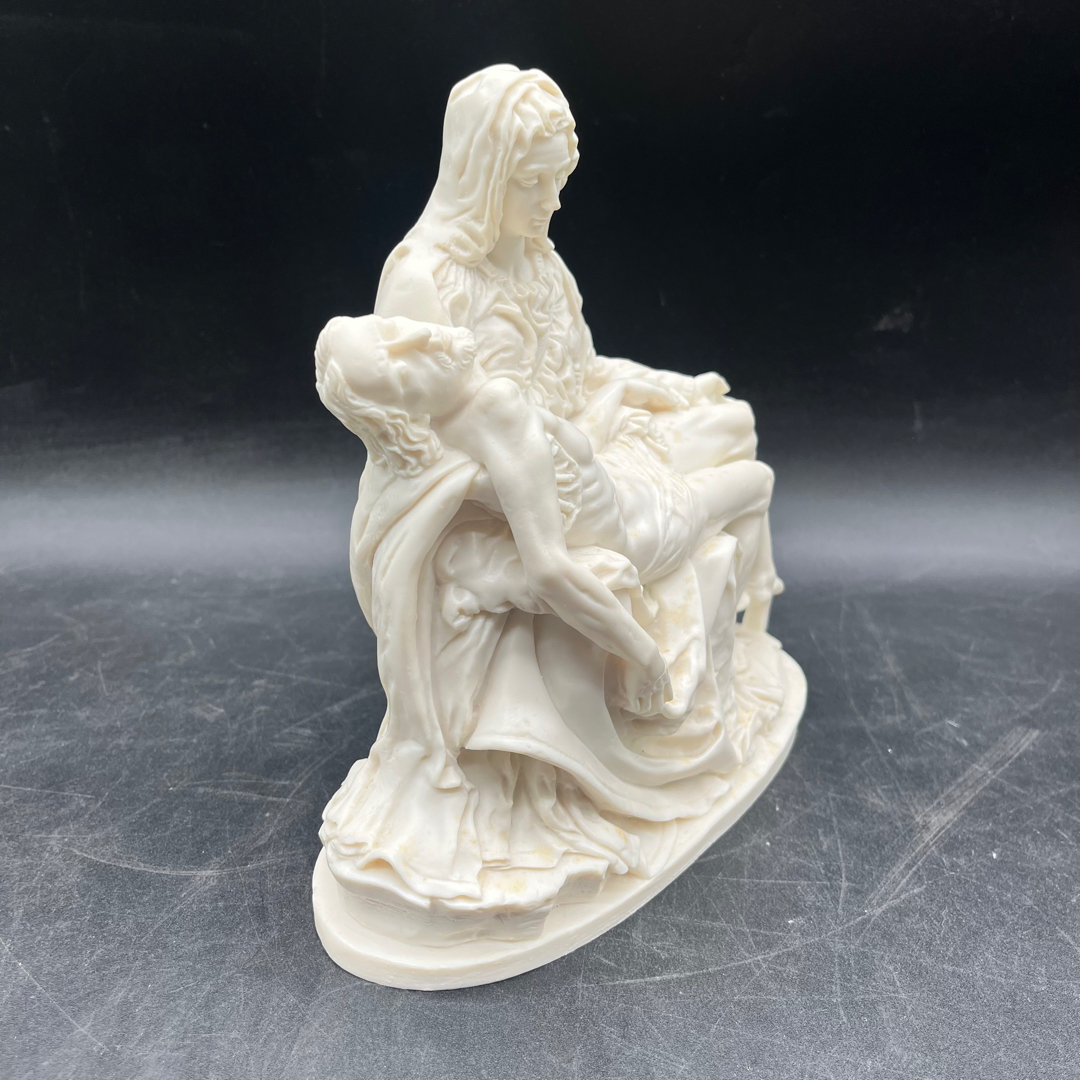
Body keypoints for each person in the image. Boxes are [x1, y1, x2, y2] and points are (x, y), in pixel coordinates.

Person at [316, 312, 776, 717]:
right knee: (758, 479)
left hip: (626, 477)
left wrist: (614, 396)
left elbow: (561, 461)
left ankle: (751, 622)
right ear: (407, 412)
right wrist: (645, 656)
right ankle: (753, 620)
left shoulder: (457, 419)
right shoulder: (494, 409)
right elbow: (549, 571)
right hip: (647, 526)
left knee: (733, 421)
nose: (419, 338)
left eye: (390, 329)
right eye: (402, 371)